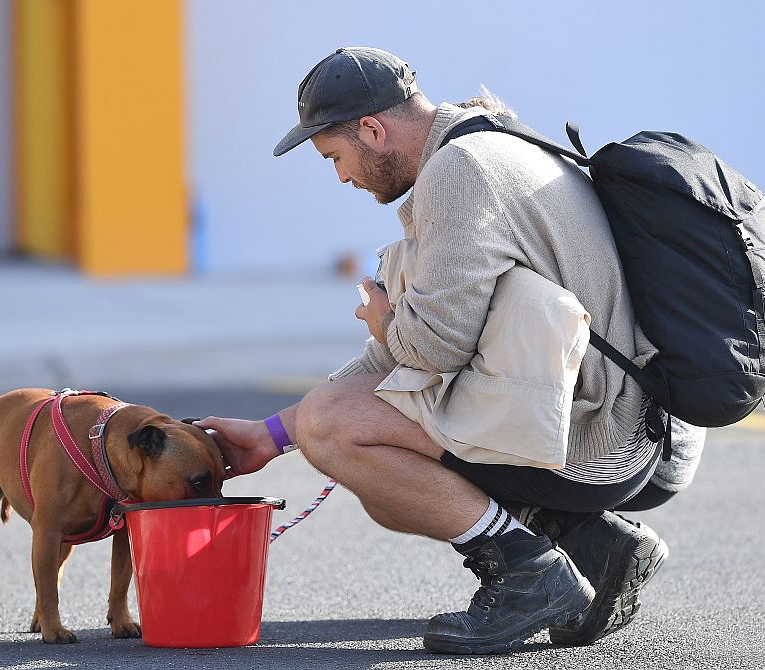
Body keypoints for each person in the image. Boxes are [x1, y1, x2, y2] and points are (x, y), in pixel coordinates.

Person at [195, 46, 707, 655]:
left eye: (334, 157)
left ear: (372, 130)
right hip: (626, 423)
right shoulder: (481, 142)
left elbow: (429, 349)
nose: (341, 177)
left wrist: (387, 322)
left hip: (607, 444)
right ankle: (589, 542)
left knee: (340, 432)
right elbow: (400, 364)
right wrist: (274, 434)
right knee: (351, 451)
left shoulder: (460, 175)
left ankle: (531, 572)